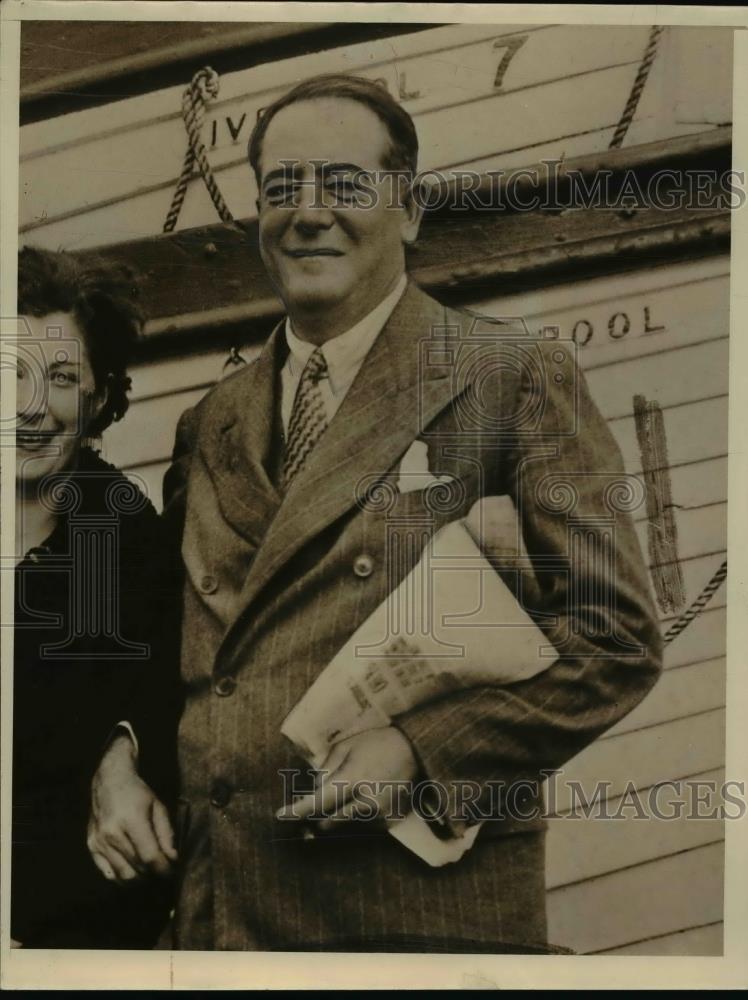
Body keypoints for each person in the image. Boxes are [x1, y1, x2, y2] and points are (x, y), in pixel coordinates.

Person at [163, 74, 663, 952]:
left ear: (411, 211)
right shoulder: (210, 421)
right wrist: (119, 757)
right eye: (283, 188)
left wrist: (426, 752)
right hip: (228, 916)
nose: (309, 212)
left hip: (411, 920)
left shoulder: (511, 377)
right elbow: (186, 662)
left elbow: (615, 639)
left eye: (345, 184)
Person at [11, 246, 182, 949]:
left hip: (62, 926)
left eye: (61, 376)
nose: (30, 406)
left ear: (101, 396)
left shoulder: (122, 535)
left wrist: (120, 750)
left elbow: (154, 704)